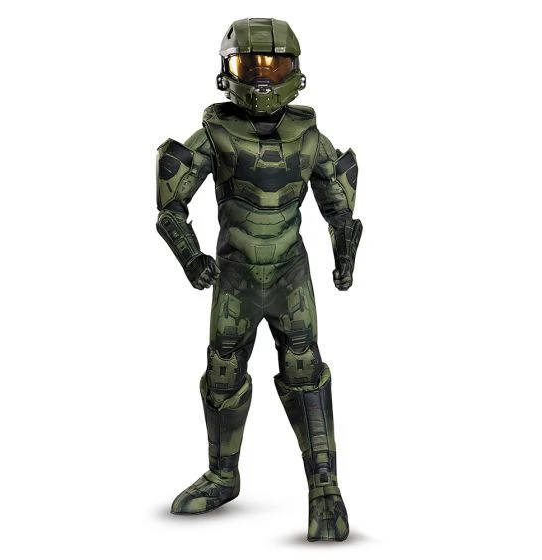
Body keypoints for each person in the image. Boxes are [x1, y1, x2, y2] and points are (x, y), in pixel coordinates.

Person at [156, 18, 362, 541]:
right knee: (223, 374)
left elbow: (339, 206)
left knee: (305, 372)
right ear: (229, 71)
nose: (264, 78)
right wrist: (192, 258)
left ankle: (325, 489)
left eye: (275, 64)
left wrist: (344, 255)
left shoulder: (308, 136)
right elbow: (170, 206)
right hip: (236, 277)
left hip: (290, 275)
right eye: (252, 65)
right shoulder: (216, 133)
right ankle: (223, 475)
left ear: (295, 71)